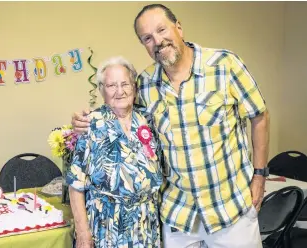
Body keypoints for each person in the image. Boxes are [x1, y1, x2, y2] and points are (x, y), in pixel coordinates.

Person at [71, 4, 270, 248]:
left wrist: (259, 176)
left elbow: (259, 116)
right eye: (147, 38)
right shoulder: (145, 84)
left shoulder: (225, 65)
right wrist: (83, 121)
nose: (157, 40)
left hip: (230, 209)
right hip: (178, 216)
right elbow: (118, 109)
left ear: (179, 27)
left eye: (161, 29)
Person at [67, 56, 164, 248]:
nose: (120, 91)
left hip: (146, 223)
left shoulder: (147, 119)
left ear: (134, 87)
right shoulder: (91, 125)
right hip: (107, 226)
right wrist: (83, 233)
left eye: (125, 84)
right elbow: (76, 185)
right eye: (111, 85)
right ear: (102, 90)